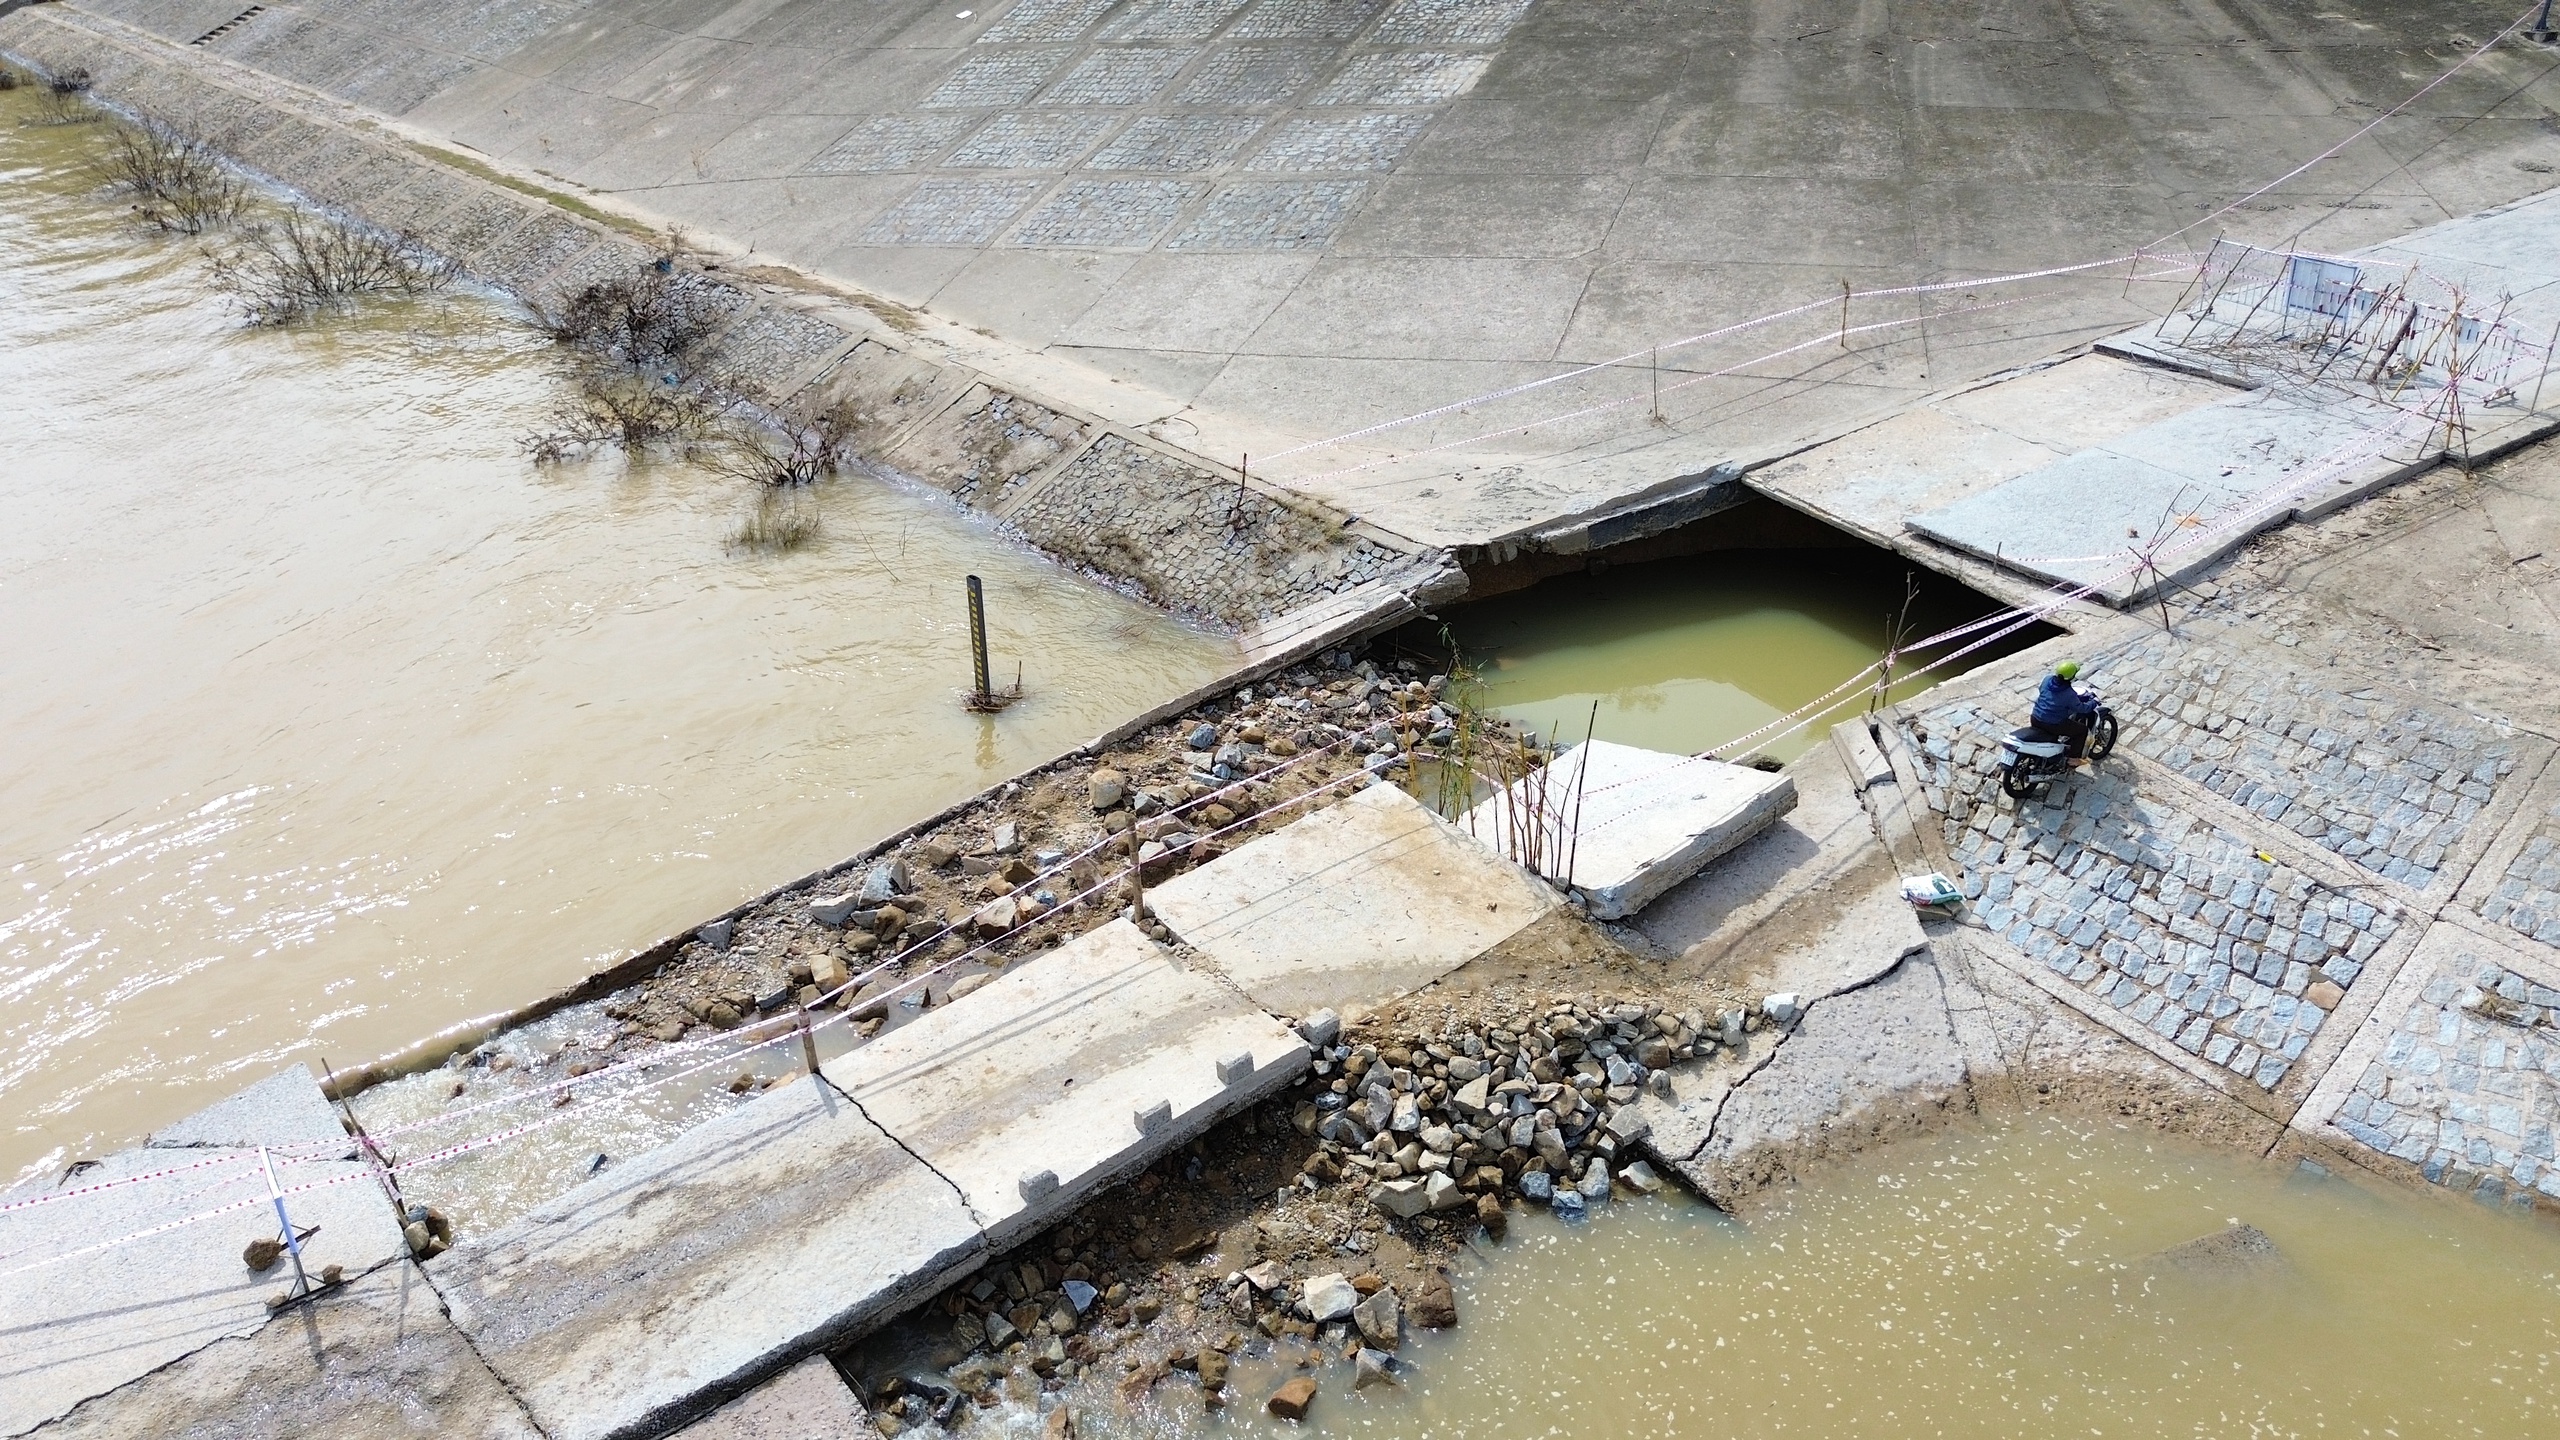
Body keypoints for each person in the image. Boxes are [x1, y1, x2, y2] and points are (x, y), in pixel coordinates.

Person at [2031, 660, 2100, 760]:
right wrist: (2094, 702)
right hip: (2053, 724)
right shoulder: (2069, 694)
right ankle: (2073, 760)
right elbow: (2082, 708)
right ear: (2071, 677)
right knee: (2082, 731)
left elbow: (2042, 690)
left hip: (2035, 717)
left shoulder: (2047, 679)